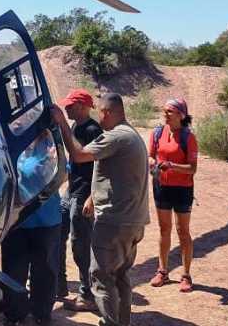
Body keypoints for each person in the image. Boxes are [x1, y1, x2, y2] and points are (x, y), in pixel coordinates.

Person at [49, 93, 150, 326]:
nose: (100, 119)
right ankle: (122, 322)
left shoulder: (117, 136)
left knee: (101, 276)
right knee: (120, 276)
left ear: (110, 112)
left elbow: (79, 155)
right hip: (132, 220)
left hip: (115, 222)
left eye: (102, 113)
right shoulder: (130, 134)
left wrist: (61, 123)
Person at [2, 129, 63, 325]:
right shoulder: (11, 145)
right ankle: (14, 313)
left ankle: (42, 313)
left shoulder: (50, 145)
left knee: (44, 269)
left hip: (46, 220)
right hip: (16, 222)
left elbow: (63, 172)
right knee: (13, 269)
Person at [54, 89, 103, 311]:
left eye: (71, 105)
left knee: (80, 244)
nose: (67, 108)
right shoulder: (77, 126)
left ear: (83, 106)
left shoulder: (93, 130)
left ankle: (87, 295)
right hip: (72, 191)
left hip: (83, 194)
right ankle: (59, 284)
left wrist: (92, 197)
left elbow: (94, 162)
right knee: (57, 233)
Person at [146, 98, 198, 292]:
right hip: (161, 185)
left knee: (183, 231)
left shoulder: (188, 137)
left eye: (169, 111)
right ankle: (162, 271)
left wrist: (172, 166)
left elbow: (192, 169)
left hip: (182, 189)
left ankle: (186, 275)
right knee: (163, 229)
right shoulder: (158, 132)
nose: (165, 114)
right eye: (164, 110)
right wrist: (152, 163)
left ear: (180, 115)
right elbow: (151, 155)